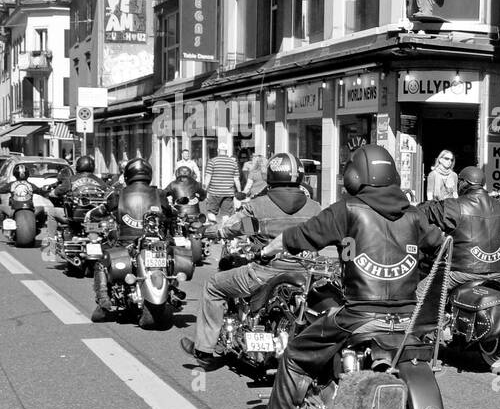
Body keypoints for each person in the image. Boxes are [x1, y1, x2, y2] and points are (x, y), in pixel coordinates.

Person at [254, 144, 447, 409]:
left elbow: (304, 234)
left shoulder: (348, 209)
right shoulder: (414, 214)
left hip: (359, 317)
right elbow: (438, 251)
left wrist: (271, 248)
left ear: (356, 175)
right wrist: (415, 273)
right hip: (408, 319)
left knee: (294, 356)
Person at [180, 153, 322, 368]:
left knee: (212, 287)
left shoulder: (259, 205)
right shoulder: (314, 207)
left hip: (264, 273)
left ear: (271, 175)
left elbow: (232, 228)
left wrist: (210, 232)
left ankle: (204, 349)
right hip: (304, 274)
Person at [87, 158, 175, 322]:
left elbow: (99, 212)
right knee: (170, 258)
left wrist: (94, 216)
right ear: (149, 174)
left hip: (127, 244)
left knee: (101, 263)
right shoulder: (160, 194)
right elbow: (171, 214)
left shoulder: (118, 194)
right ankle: (173, 290)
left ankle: (104, 301)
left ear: (127, 175)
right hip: (156, 244)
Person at [428, 165, 500, 289]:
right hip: (499, 273)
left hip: (463, 273)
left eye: (459, 182)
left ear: (464, 183)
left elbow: (427, 211)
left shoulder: (454, 206)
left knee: (421, 292)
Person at [51, 155, 110, 235]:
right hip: (96, 215)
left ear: (78, 166)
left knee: (51, 213)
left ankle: (51, 242)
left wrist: (52, 193)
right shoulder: (100, 181)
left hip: (77, 216)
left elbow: (55, 193)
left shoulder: (71, 179)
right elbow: (108, 194)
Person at [203, 143, 240, 219]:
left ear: (218, 150)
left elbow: (208, 177)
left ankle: (213, 227)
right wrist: (239, 192)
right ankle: (224, 230)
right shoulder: (233, 163)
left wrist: (204, 190)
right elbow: (236, 179)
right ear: (226, 151)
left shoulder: (212, 161)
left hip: (214, 192)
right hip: (228, 193)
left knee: (211, 212)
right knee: (226, 214)